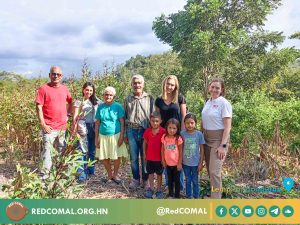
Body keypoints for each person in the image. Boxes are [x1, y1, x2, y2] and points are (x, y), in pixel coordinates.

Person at [35, 66, 72, 174]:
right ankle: (44, 176)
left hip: (62, 127)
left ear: (61, 76)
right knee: (47, 151)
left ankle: (59, 175)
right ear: (49, 75)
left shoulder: (64, 89)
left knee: (62, 151)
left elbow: (70, 101)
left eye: (58, 74)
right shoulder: (43, 88)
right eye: (54, 74)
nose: (56, 76)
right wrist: (43, 124)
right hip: (49, 127)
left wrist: (67, 115)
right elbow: (38, 107)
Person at [201, 78, 232, 199]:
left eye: (217, 88)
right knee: (209, 170)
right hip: (206, 138)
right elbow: (204, 121)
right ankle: (214, 194)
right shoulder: (208, 102)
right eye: (212, 87)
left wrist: (223, 145)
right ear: (209, 88)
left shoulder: (224, 103)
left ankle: (216, 202)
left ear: (222, 90)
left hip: (218, 140)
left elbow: (227, 126)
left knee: (215, 172)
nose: (214, 89)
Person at [155, 75, 186, 190]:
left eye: (172, 85)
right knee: (167, 158)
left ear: (176, 86)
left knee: (177, 158)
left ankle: (180, 186)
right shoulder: (159, 100)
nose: (170, 87)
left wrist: (182, 133)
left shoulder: (180, 98)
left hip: (177, 134)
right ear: (164, 84)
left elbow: (183, 116)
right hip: (164, 134)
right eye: (168, 84)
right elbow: (157, 117)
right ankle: (169, 185)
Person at [124, 75, 154, 189]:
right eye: (135, 83)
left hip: (145, 131)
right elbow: (126, 116)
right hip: (131, 130)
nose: (137, 85)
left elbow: (153, 116)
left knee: (145, 157)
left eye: (139, 83)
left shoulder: (149, 98)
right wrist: (126, 133)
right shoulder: (128, 99)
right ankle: (136, 179)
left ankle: (146, 180)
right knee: (134, 157)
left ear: (143, 84)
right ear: (132, 84)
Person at [95, 86, 128, 184]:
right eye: (106, 94)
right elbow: (97, 123)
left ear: (114, 96)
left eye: (110, 95)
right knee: (105, 157)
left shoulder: (118, 106)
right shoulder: (100, 107)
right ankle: (109, 175)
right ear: (103, 95)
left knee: (117, 156)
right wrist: (96, 138)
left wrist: (122, 136)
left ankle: (116, 175)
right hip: (103, 136)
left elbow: (122, 122)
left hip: (116, 135)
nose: (108, 96)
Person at [72, 82, 101, 182]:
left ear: (93, 91)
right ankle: (81, 175)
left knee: (92, 151)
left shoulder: (96, 101)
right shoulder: (78, 101)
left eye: (91, 90)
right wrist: (74, 131)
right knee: (81, 151)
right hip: (82, 127)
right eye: (87, 90)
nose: (89, 92)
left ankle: (90, 171)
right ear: (83, 90)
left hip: (93, 127)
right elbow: (75, 117)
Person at [181, 113, 205, 199]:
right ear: (184, 124)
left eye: (192, 123)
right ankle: (189, 196)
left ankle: (196, 196)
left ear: (195, 123)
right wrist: (180, 161)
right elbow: (180, 148)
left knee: (195, 181)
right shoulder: (182, 134)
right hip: (185, 163)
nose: (190, 125)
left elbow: (202, 149)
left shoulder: (199, 134)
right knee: (187, 180)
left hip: (195, 163)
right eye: (187, 123)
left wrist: (201, 162)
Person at [143, 112, 166, 199]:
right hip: (149, 158)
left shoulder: (163, 131)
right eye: (153, 121)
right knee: (150, 173)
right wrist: (144, 154)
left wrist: (164, 158)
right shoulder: (148, 131)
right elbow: (144, 143)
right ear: (150, 121)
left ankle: (159, 189)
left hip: (159, 159)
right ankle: (151, 188)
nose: (155, 123)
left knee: (159, 174)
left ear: (160, 121)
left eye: (157, 121)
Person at [161, 118, 183, 198]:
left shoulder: (178, 138)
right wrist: (163, 160)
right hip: (167, 164)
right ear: (166, 127)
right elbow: (162, 149)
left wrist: (179, 163)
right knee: (169, 180)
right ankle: (170, 194)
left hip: (176, 164)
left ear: (177, 129)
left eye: (174, 128)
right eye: (170, 127)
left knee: (177, 181)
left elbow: (181, 151)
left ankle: (177, 195)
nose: (172, 130)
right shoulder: (164, 137)